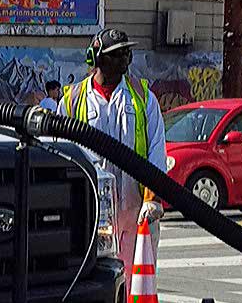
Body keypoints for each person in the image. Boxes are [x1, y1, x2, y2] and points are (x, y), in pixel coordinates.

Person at [63, 26, 166, 247]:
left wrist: (153, 199)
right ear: (97, 58)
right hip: (90, 212)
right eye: (116, 54)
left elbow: (156, 149)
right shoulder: (73, 101)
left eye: (126, 53)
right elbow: (60, 152)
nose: (124, 59)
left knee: (138, 281)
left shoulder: (142, 98)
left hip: (136, 213)